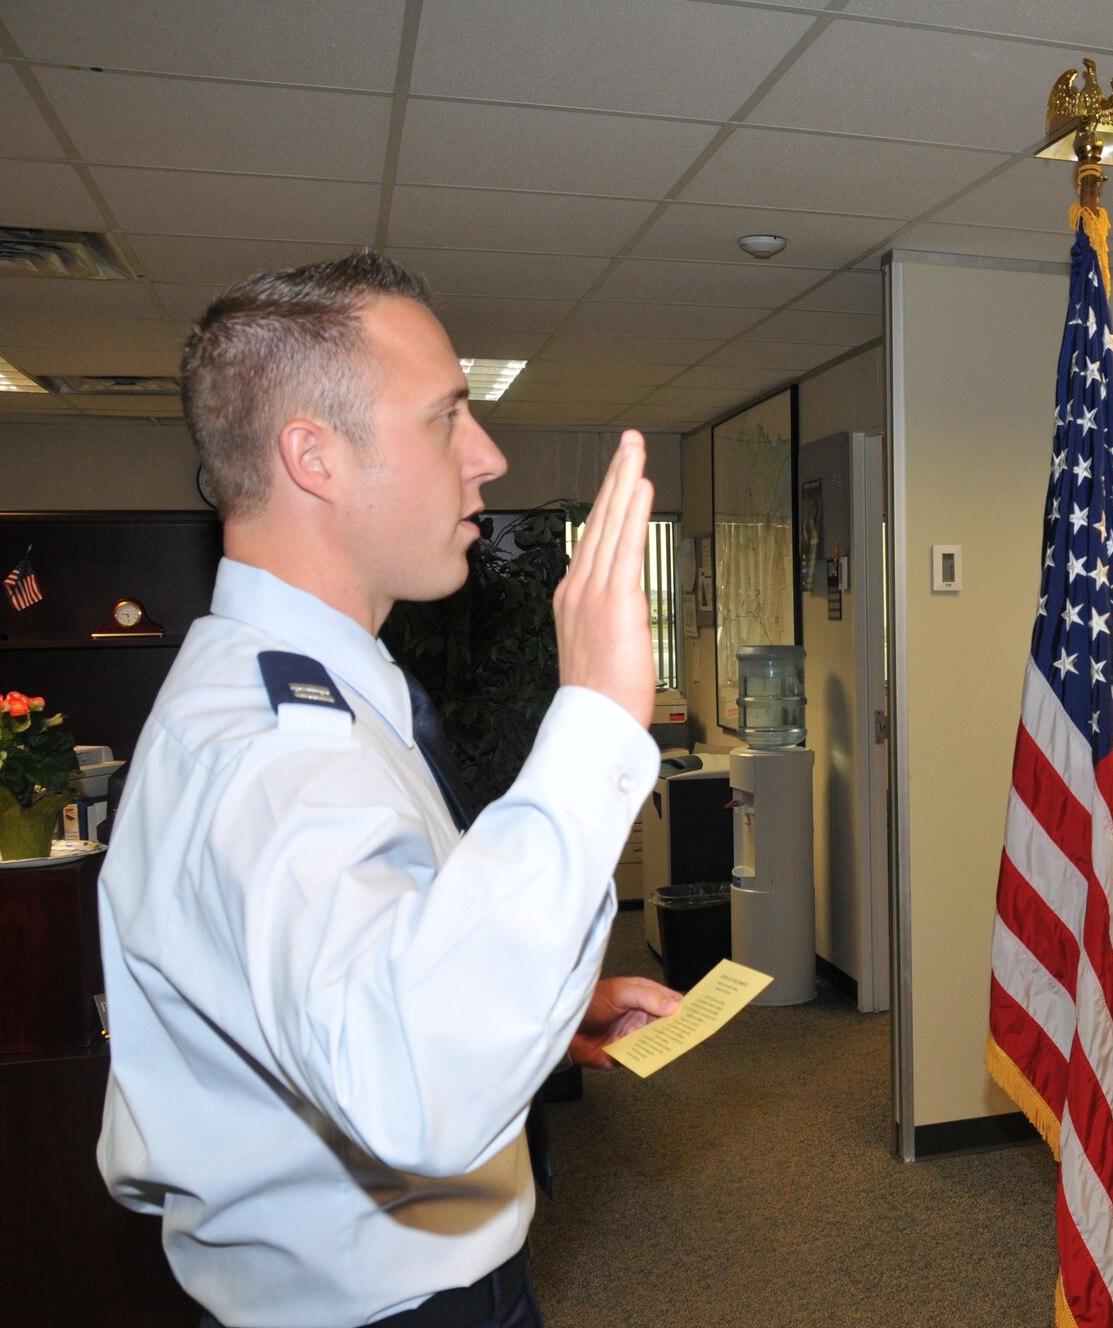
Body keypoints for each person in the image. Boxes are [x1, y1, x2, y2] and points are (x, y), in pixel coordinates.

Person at [97, 252, 680, 1328]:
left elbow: (353, 976)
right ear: (312, 456)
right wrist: (595, 714)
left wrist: (538, 1016)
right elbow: (405, 1078)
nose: (487, 456)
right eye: (443, 418)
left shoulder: (319, 694)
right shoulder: (271, 750)